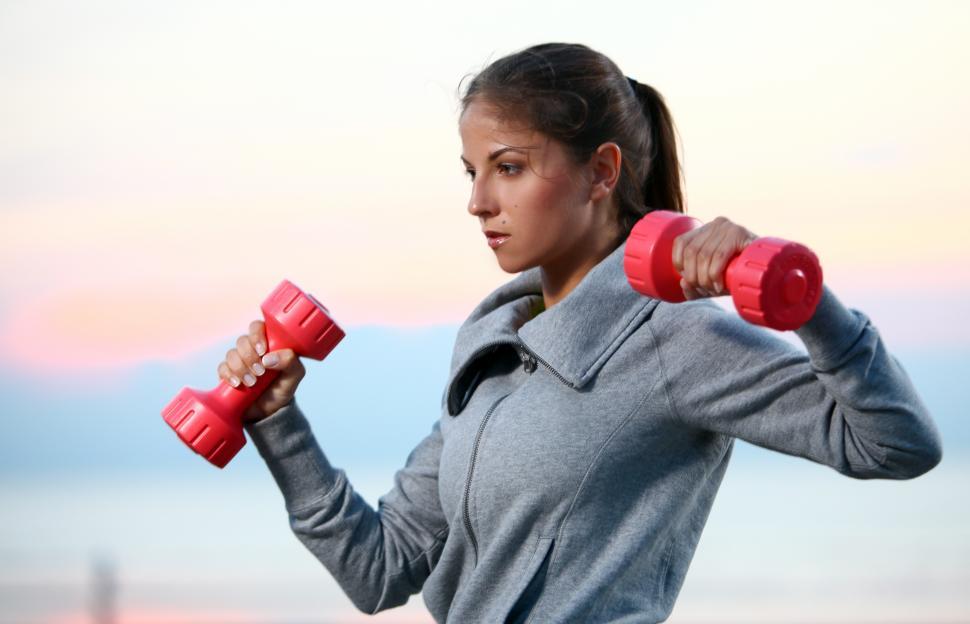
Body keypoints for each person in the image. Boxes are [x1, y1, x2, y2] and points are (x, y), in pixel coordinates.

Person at [216, 42, 943, 623]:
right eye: (471, 172)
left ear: (601, 172)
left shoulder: (672, 340)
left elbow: (897, 445)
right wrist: (279, 423)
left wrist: (805, 302)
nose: (476, 201)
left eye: (508, 168)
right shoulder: (493, 347)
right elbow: (378, 573)